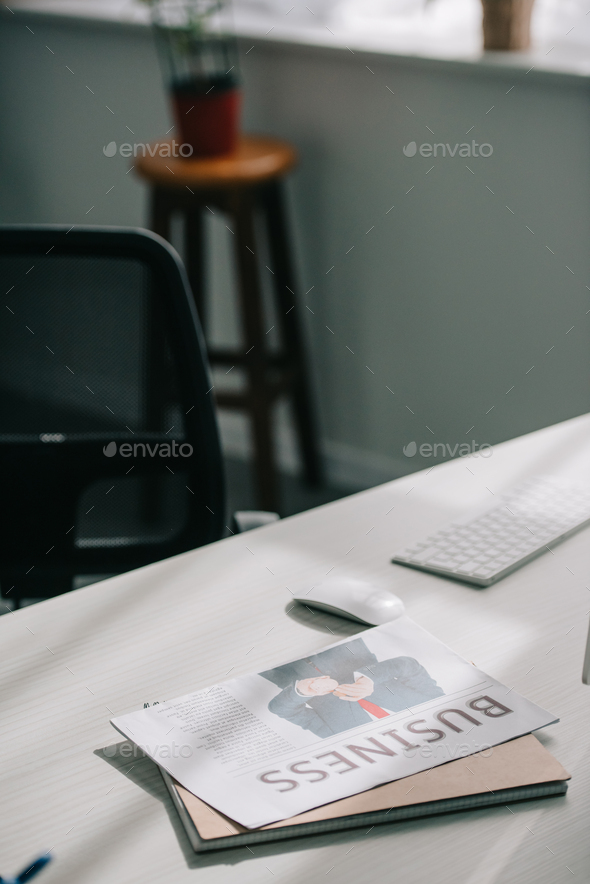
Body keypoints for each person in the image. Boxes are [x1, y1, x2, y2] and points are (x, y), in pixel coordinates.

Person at [260, 637, 444, 739]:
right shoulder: (437, 708)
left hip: (282, 665)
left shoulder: (347, 740)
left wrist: (302, 690)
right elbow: (408, 666)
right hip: (335, 641)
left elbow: (282, 710)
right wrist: (369, 678)